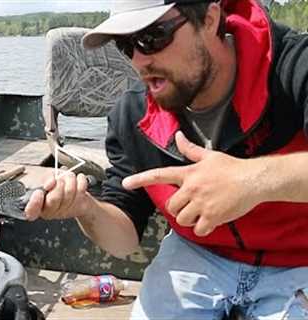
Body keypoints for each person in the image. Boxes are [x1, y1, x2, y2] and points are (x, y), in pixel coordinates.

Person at [25, 0, 308, 318]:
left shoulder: (294, 69)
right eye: (126, 45)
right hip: (198, 251)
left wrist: (251, 181)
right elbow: (124, 238)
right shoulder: (132, 117)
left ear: (210, 19)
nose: (140, 60)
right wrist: (85, 209)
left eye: (153, 37)